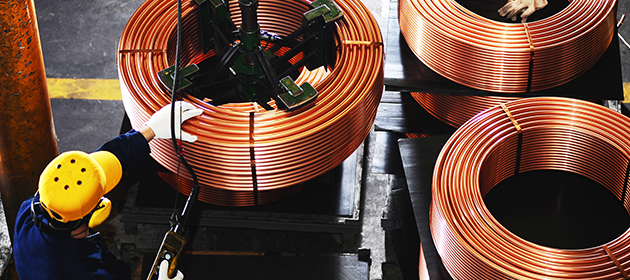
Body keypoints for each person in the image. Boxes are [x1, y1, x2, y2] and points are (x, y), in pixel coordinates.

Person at [13, 101, 203, 280]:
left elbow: (102, 161)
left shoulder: (31, 208)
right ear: (98, 212)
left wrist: (150, 129)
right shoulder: (72, 271)